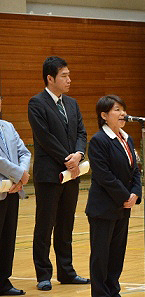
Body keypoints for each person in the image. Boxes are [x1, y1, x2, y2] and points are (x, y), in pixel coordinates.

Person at [28, 56, 89, 291]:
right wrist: (68, 159)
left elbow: (81, 132)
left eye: (69, 75)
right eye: (64, 76)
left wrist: (78, 154)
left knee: (66, 224)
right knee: (45, 224)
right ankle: (43, 273)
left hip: (71, 174)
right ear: (50, 78)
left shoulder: (72, 103)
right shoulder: (37, 103)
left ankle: (67, 271)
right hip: (49, 174)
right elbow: (44, 138)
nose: (69, 80)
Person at [86, 95, 141, 297]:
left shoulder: (127, 138)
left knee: (117, 253)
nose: (122, 114)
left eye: (123, 109)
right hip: (103, 207)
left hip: (123, 206)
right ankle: (100, 292)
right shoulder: (99, 140)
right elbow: (104, 175)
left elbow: (135, 170)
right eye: (117, 110)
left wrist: (135, 193)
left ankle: (112, 289)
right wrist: (125, 195)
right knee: (101, 254)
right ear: (104, 115)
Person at [0, 97, 31, 296]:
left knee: (7, 238)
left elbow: (24, 151)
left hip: (12, 191)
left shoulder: (8, 126)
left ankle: (3, 281)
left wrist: (22, 175)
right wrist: (19, 174)